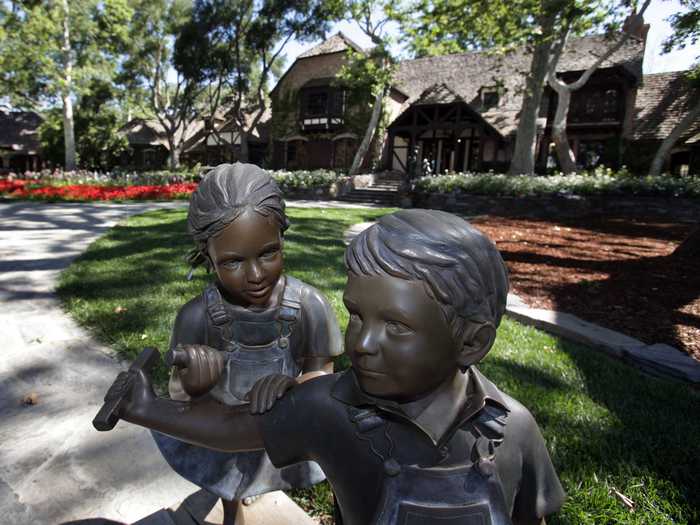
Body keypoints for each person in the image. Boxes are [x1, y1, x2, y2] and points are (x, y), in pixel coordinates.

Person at [103, 209, 565, 525]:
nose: (361, 342)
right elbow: (229, 426)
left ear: (472, 342)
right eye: (357, 314)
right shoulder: (329, 406)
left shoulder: (514, 430)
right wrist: (144, 406)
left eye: (396, 326)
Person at [152, 162, 343, 525]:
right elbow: (178, 391)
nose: (255, 276)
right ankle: (232, 510)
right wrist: (193, 385)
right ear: (207, 256)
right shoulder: (196, 317)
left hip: (283, 425)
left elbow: (323, 373)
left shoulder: (309, 306)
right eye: (233, 262)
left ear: (282, 238)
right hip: (223, 425)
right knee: (230, 481)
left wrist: (294, 387)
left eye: (268, 253)